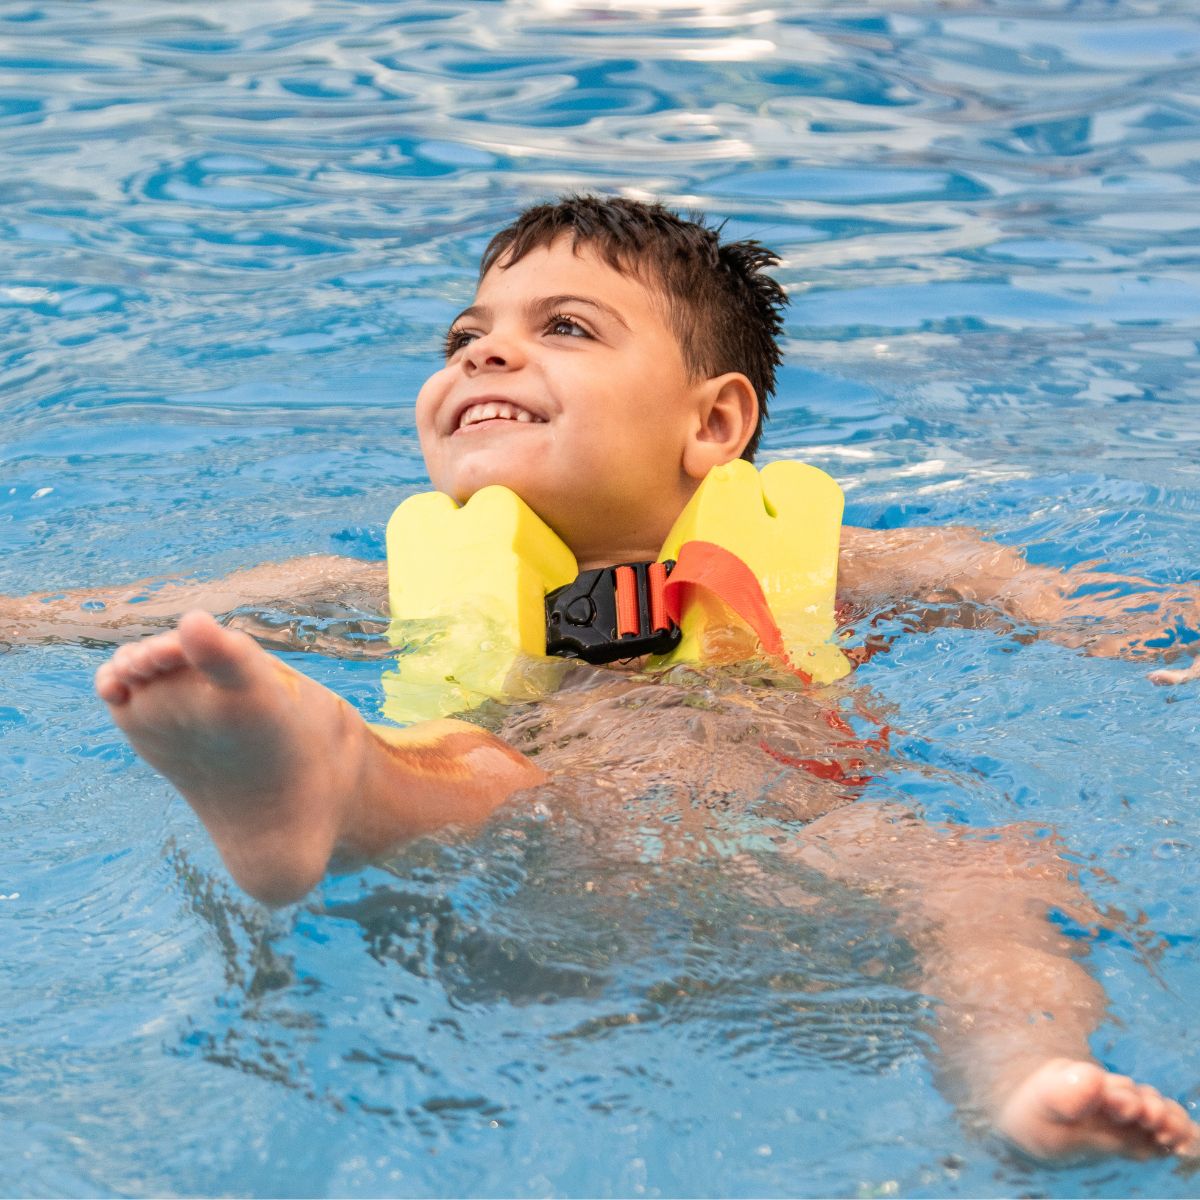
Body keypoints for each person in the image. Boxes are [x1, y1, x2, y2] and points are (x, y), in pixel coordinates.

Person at [6, 195, 1199, 1162]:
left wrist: (1128, 630)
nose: (487, 349)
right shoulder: (381, 582)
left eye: (564, 327)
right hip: (535, 831)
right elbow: (123, 619)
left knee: (988, 878)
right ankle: (315, 778)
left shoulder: (840, 561)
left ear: (715, 424)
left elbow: (1037, 592)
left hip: (809, 854)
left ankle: (1030, 1079)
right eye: (466, 336)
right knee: (477, 767)